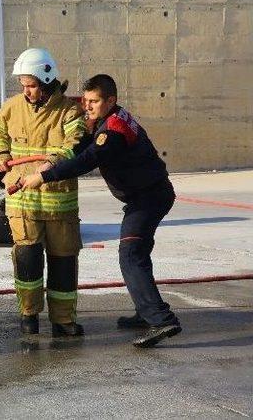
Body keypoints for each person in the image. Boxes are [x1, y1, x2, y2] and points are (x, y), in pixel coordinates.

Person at [21, 74, 182, 348]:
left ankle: (161, 320)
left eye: (94, 101)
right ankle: (146, 312)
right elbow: (84, 146)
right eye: (86, 101)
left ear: (111, 100)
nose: (88, 106)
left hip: (149, 198)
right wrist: (52, 162)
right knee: (138, 254)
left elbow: (89, 159)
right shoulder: (108, 120)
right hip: (144, 197)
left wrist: (45, 178)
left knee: (131, 254)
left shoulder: (115, 130)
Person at [0, 48, 88, 336]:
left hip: (59, 202)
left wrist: (46, 169)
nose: (27, 91)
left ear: (47, 81)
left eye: (31, 85)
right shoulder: (11, 107)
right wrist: (0, 155)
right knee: (27, 259)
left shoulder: (70, 111)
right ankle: (28, 315)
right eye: (23, 85)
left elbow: (74, 145)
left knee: (64, 261)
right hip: (22, 202)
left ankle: (63, 320)